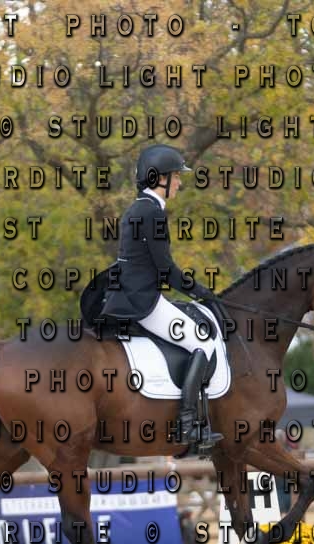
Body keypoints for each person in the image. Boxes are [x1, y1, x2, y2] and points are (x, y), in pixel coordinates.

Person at [98, 144, 223, 458]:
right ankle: (187, 424)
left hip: (128, 294)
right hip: (142, 301)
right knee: (203, 341)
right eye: (176, 176)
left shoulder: (138, 208)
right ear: (160, 179)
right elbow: (166, 269)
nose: (179, 182)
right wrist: (201, 292)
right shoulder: (151, 212)